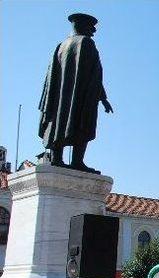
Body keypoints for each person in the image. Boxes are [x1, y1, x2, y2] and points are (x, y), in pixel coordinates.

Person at [39, 13, 113, 174]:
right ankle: (77, 161)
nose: (93, 30)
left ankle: (57, 158)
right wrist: (103, 98)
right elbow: (94, 75)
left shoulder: (60, 46)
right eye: (91, 27)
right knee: (82, 123)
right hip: (80, 98)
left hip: (58, 99)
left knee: (58, 124)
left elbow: (51, 78)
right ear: (81, 26)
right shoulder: (86, 43)